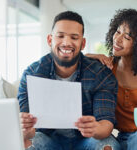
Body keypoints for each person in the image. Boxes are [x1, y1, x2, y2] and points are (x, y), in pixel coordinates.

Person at [18, 11, 118, 150]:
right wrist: (24, 128)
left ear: (82, 43)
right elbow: (28, 131)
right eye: (60, 36)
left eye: (74, 37)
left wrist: (95, 128)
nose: (66, 43)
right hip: (48, 138)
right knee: (24, 144)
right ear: (49, 40)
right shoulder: (32, 74)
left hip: (86, 139)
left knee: (108, 145)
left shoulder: (100, 74)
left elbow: (105, 123)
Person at [86, 9, 137, 150]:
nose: (118, 39)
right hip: (117, 136)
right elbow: (73, 64)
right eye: (118, 31)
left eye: (127, 37)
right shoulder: (107, 68)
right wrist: (89, 56)